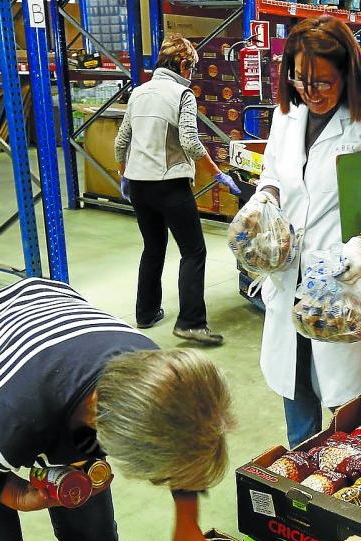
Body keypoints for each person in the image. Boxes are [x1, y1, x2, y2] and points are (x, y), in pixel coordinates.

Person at [0, 278, 234, 541]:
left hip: (36, 321)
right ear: (107, 433)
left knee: (94, 539)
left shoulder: (155, 369)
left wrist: (186, 521)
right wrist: (2, 489)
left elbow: (186, 438)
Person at [256, 16, 361, 448]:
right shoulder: (287, 116)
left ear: (347, 72)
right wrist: (264, 201)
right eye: (301, 80)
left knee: (353, 412)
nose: (312, 92)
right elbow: (272, 173)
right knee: (297, 385)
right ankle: (301, 474)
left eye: (323, 82)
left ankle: (352, 488)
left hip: (345, 281)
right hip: (290, 278)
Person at [114, 34, 241, 346]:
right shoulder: (182, 94)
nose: (192, 75)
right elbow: (189, 141)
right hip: (170, 185)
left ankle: (145, 313)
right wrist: (217, 173)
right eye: (192, 69)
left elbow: (121, 141)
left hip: (139, 187)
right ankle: (192, 323)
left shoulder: (139, 92)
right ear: (184, 64)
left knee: (153, 247)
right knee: (194, 251)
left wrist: (124, 174)